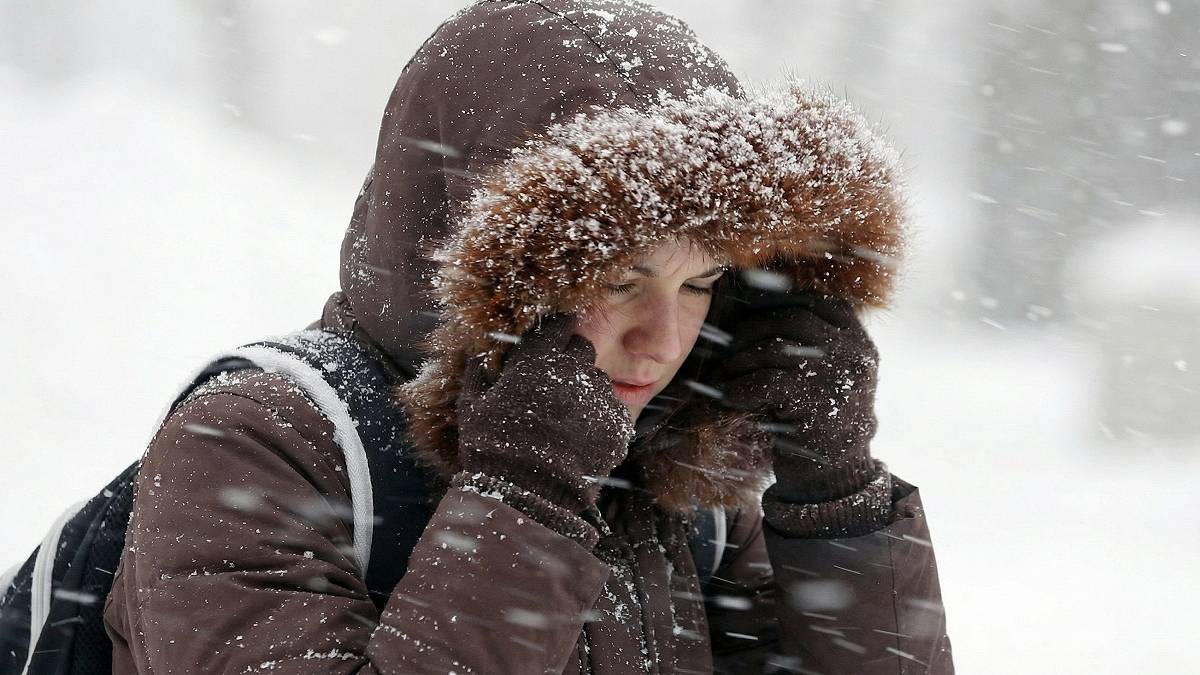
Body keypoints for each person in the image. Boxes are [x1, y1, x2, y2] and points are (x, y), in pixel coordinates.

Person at [102, 1, 955, 673]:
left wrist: (833, 504)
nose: (662, 340)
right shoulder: (259, 450)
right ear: (469, 258)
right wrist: (524, 500)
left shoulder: (677, 475)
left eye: (699, 283)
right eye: (619, 278)